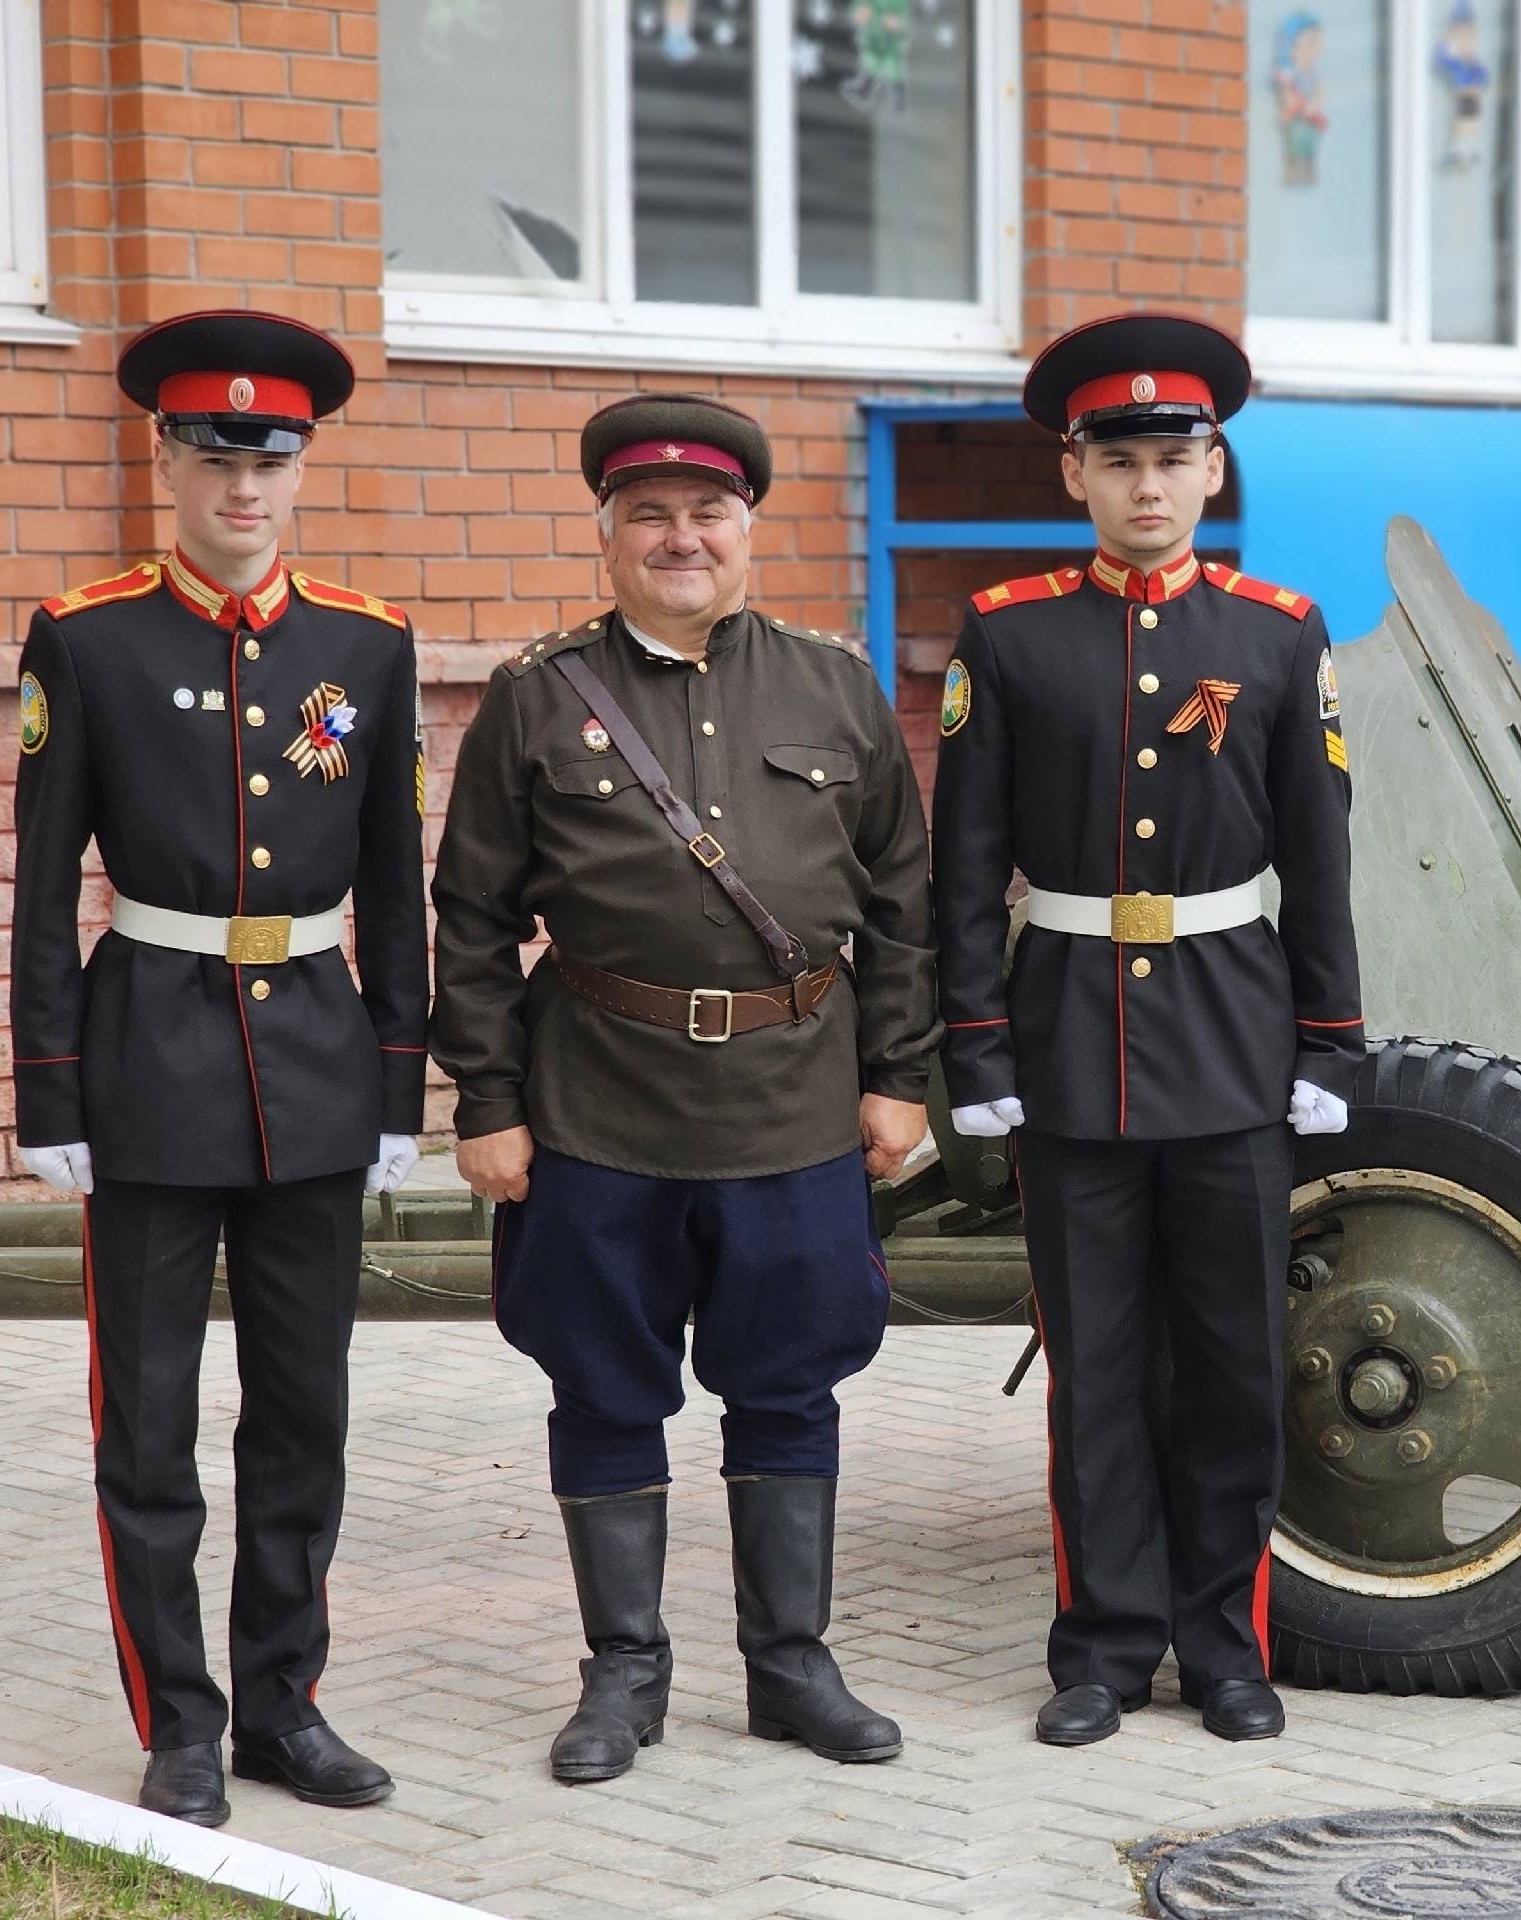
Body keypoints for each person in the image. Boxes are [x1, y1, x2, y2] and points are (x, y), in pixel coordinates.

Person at [430, 394, 939, 1785]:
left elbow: (903, 901)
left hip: (797, 1098)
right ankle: (624, 1675)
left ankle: (792, 1667)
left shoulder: (835, 689)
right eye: (648, 515)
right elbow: (471, 916)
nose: (681, 538)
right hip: (598, 1105)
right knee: (603, 1389)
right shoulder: (539, 699)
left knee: (791, 1385)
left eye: (708, 513)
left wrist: (899, 1075)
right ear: (607, 536)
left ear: (747, 529)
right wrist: (487, 1100)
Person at [9, 310, 429, 1826]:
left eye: (271, 460)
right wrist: (48, 1086)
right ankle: (179, 1721)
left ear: (301, 467)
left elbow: (394, 881)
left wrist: (400, 1081)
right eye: (213, 457)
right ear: (166, 460)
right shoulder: (88, 636)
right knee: (152, 1424)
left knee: (303, 1414)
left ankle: (284, 1706)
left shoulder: (366, 644)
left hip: (315, 1061)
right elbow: (43, 882)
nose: (243, 489)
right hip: (148, 1063)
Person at [931, 313, 1363, 1748]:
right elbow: (964, 861)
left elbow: (1321, 857)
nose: (1147, 487)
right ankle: (1104, 1650)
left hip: (1235, 1044)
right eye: (1118, 461)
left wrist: (1329, 1042)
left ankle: (1226, 1649)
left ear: (1212, 468)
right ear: (1075, 474)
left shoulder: (1279, 635)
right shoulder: (1009, 635)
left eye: (1173, 460)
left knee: (1236, 1367)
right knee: (1096, 1370)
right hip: (1068, 1047)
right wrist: (976, 1045)